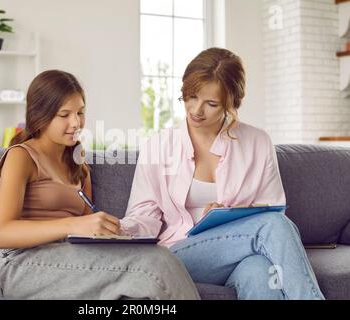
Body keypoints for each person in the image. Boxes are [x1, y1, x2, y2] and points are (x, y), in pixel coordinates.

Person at [120, 48, 325, 300]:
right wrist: (120, 230)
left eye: (211, 103)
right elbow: (144, 216)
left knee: (260, 273)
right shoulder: (159, 145)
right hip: (179, 256)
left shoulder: (257, 141)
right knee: (273, 226)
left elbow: (271, 208)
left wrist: (227, 215)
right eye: (191, 97)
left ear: (230, 104)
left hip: (239, 255)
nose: (196, 110)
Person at [0, 70, 200, 300]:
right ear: (40, 115)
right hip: (21, 263)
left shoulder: (78, 163)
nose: (76, 122)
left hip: (66, 256)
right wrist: (74, 225)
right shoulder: (21, 156)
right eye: (64, 114)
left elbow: (85, 231)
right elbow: (3, 233)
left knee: (154, 259)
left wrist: (109, 233)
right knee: (155, 265)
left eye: (80, 112)